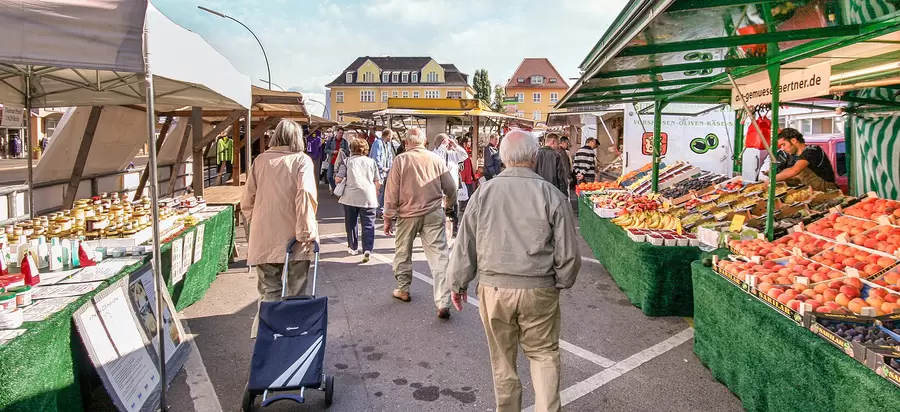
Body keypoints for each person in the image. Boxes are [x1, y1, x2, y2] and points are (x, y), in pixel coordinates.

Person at [447, 130, 580, 412]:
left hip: (494, 289)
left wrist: (457, 284)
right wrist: (561, 281)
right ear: (534, 157)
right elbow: (568, 252)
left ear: (504, 158)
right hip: (539, 288)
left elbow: (465, 243)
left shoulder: (484, 193)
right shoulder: (552, 194)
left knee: (503, 360)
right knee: (544, 354)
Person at [240, 120, 319, 338]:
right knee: (296, 291)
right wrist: (305, 232)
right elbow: (305, 195)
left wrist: (258, 222)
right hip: (296, 235)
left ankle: (266, 336)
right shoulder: (302, 160)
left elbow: (247, 201)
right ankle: (292, 336)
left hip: (265, 236)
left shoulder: (260, 161)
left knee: (268, 290)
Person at [383, 128, 458, 319]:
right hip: (433, 212)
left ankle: (403, 289)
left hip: (407, 214)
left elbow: (391, 192)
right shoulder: (436, 159)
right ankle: (443, 301)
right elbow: (450, 187)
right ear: (424, 142)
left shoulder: (401, 160)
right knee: (439, 256)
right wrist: (449, 205)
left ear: (407, 143)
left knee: (402, 252)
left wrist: (388, 217)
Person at [336, 135, 380, 262]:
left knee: (351, 223)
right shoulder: (372, 162)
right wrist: (375, 193)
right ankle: (367, 249)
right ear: (366, 149)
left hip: (350, 197)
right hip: (368, 196)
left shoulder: (347, 161)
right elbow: (378, 181)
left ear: (351, 149)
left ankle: (353, 247)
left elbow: (338, 179)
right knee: (368, 224)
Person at [772, 128, 838, 191]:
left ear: (794, 141)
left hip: (828, 191)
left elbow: (794, 170)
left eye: (783, 144)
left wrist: (771, 180)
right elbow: (791, 175)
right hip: (811, 192)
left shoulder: (812, 150)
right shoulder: (792, 157)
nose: (782, 148)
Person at [431, 133, 468, 237]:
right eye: (445, 142)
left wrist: (455, 146)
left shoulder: (452, 155)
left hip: (452, 187)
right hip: (439, 187)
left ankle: (453, 230)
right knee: (439, 210)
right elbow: (438, 156)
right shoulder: (435, 154)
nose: (447, 145)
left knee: (452, 210)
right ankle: (439, 231)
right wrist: (442, 145)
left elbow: (464, 156)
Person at [369, 128, 394, 218]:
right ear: (388, 136)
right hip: (378, 172)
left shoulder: (388, 145)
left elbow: (389, 157)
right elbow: (376, 158)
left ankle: (381, 210)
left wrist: (390, 168)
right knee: (379, 191)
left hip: (385, 172)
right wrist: (383, 168)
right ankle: (377, 210)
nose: (392, 138)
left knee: (383, 191)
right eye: (391, 136)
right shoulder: (378, 143)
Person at [325, 127, 350, 193]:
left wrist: (343, 150)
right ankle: (334, 189)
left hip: (340, 163)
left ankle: (338, 191)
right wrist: (333, 152)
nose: (341, 134)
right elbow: (326, 150)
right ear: (337, 132)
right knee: (329, 176)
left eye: (342, 133)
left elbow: (348, 152)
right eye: (340, 133)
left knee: (339, 178)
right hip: (332, 161)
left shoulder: (344, 142)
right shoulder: (330, 140)